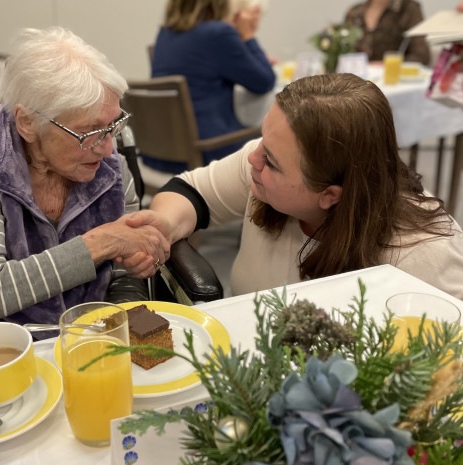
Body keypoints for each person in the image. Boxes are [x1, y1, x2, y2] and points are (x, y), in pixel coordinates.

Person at [0, 27, 170, 368]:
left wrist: (131, 276)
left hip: (83, 340)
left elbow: (124, 278)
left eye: (113, 126)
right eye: (90, 133)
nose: (108, 148)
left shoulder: (110, 169)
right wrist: (100, 244)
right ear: (28, 123)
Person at [125, 73, 463, 299]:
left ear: (330, 195)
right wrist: (165, 226)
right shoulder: (260, 167)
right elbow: (190, 192)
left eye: (271, 162)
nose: (253, 160)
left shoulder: (427, 258)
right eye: (262, 141)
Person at [146, 0, 276, 174]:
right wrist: (248, 35)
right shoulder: (218, 33)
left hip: (161, 152)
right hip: (209, 151)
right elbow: (264, 82)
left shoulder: (165, 34)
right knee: (277, 137)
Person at [344, 0, 431, 65]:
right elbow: (343, 52)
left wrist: (386, 65)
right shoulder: (354, 12)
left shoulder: (408, 9)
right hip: (356, 83)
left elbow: (421, 56)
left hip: (395, 82)